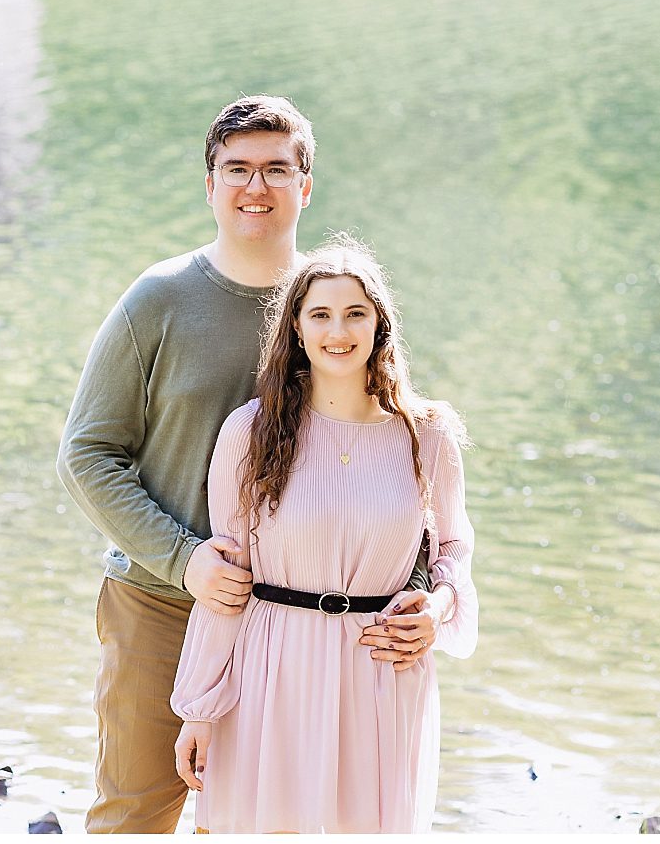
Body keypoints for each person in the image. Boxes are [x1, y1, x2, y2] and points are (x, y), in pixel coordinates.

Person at [57, 95, 314, 833]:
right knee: (133, 816)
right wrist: (184, 558)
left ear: (305, 185)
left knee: (254, 821)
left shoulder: (331, 306)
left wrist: (424, 586)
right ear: (210, 185)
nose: (254, 188)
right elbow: (86, 454)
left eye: (274, 169)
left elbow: (394, 458)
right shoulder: (160, 299)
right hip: (159, 604)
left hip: (290, 617)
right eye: (236, 169)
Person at [169, 236, 478, 833]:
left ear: (380, 325)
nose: (339, 331)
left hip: (382, 669)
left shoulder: (427, 434)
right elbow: (227, 578)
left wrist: (439, 609)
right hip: (273, 667)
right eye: (321, 314)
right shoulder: (250, 431)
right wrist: (199, 708)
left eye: (355, 313)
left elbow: (454, 550)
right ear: (297, 328)